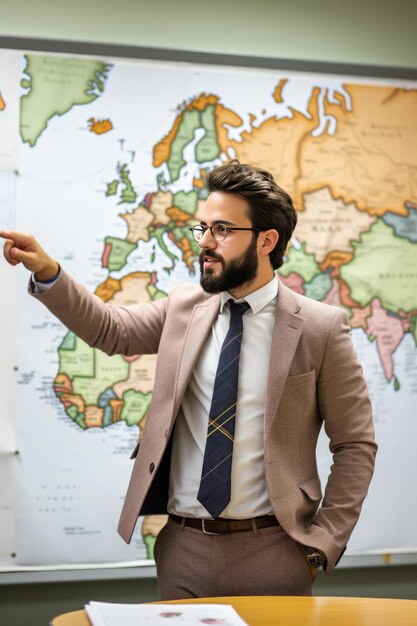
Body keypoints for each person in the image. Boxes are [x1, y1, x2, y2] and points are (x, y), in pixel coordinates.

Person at [1, 160, 377, 599]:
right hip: (183, 549)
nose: (205, 243)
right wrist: (49, 272)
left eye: (222, 230)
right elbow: (110, 328)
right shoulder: (185, 306)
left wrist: (320, 545)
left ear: (266, 241)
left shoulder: (320, 327)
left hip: (274, 551)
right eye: (203, 229)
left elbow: (356, 444)